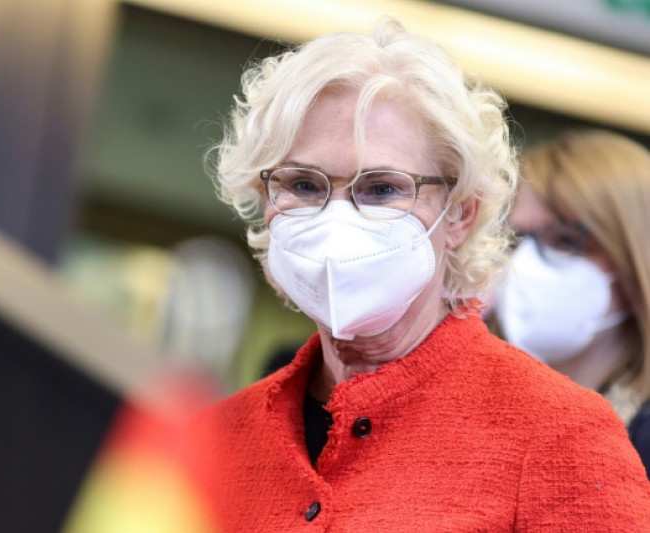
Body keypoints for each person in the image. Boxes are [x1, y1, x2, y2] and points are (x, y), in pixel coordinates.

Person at [187, 18, 650, 531]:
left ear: (460, 214)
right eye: (303, 184)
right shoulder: (211, 444)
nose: (337, 218)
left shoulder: (561, 436)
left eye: (382, 189)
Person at [493, 129, 650, 476]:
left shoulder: (642, 439)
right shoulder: (483, 407)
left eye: (564, 240)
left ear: (635, 257)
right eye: (518, 238)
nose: (526, 263)